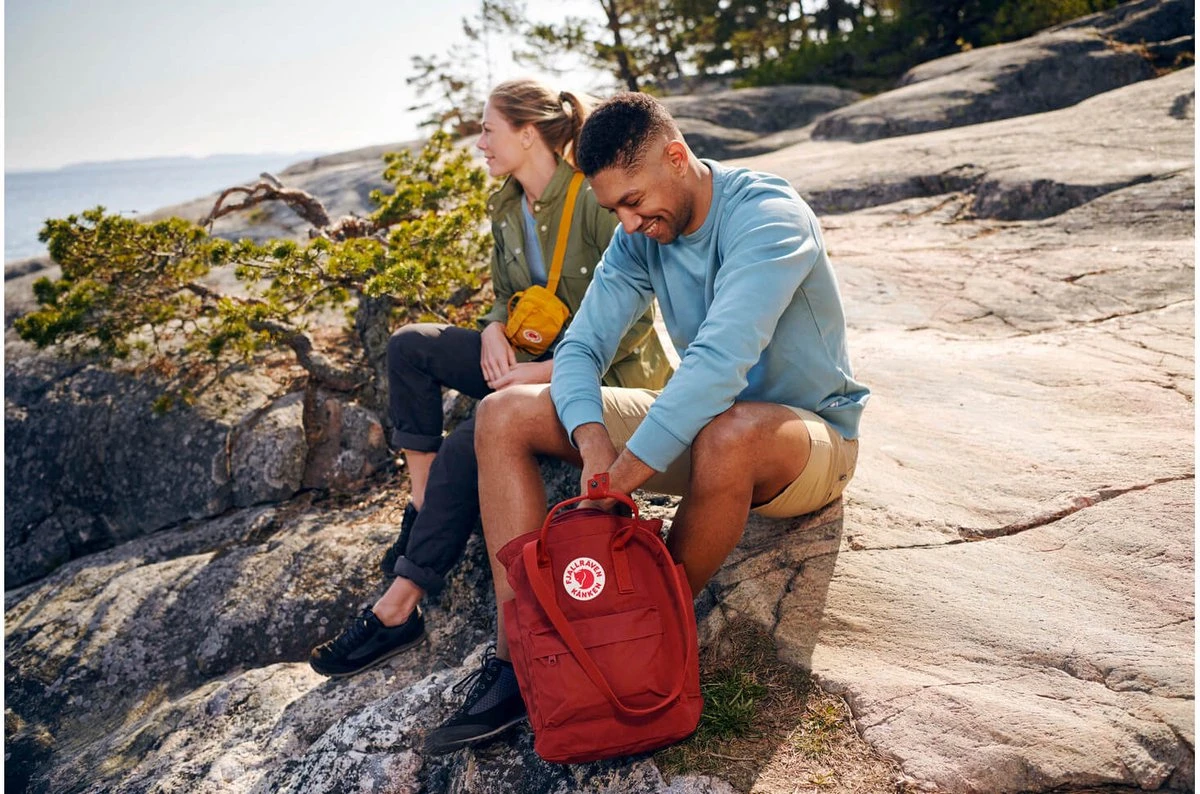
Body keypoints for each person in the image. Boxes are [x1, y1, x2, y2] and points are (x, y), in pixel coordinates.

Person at [422, 91, 870, 755]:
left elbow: (718, 363)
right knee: (502, 413)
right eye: (613, 210)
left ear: (677, 156)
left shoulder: (769, 217)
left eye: (634, 201)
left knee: (730, 431)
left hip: (807, 443)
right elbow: (579, 349)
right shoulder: (639, 237)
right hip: (705, 430)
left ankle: (642, 636)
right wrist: (593, 441)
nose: (628, 223)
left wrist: (621, 478)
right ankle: (527, 657)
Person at [308, 80, 672, 678]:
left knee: (472, 436)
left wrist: (542, 372)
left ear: (528, 134)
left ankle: (399, 606)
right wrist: (492, 330)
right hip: (526, 360)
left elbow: (632, 325)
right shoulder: (505, 205)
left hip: (599, 376)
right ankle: (421, 507)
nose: (478, 142)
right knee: (410, 347)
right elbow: (506, 295)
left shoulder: (592, 200)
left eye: (487, 129)